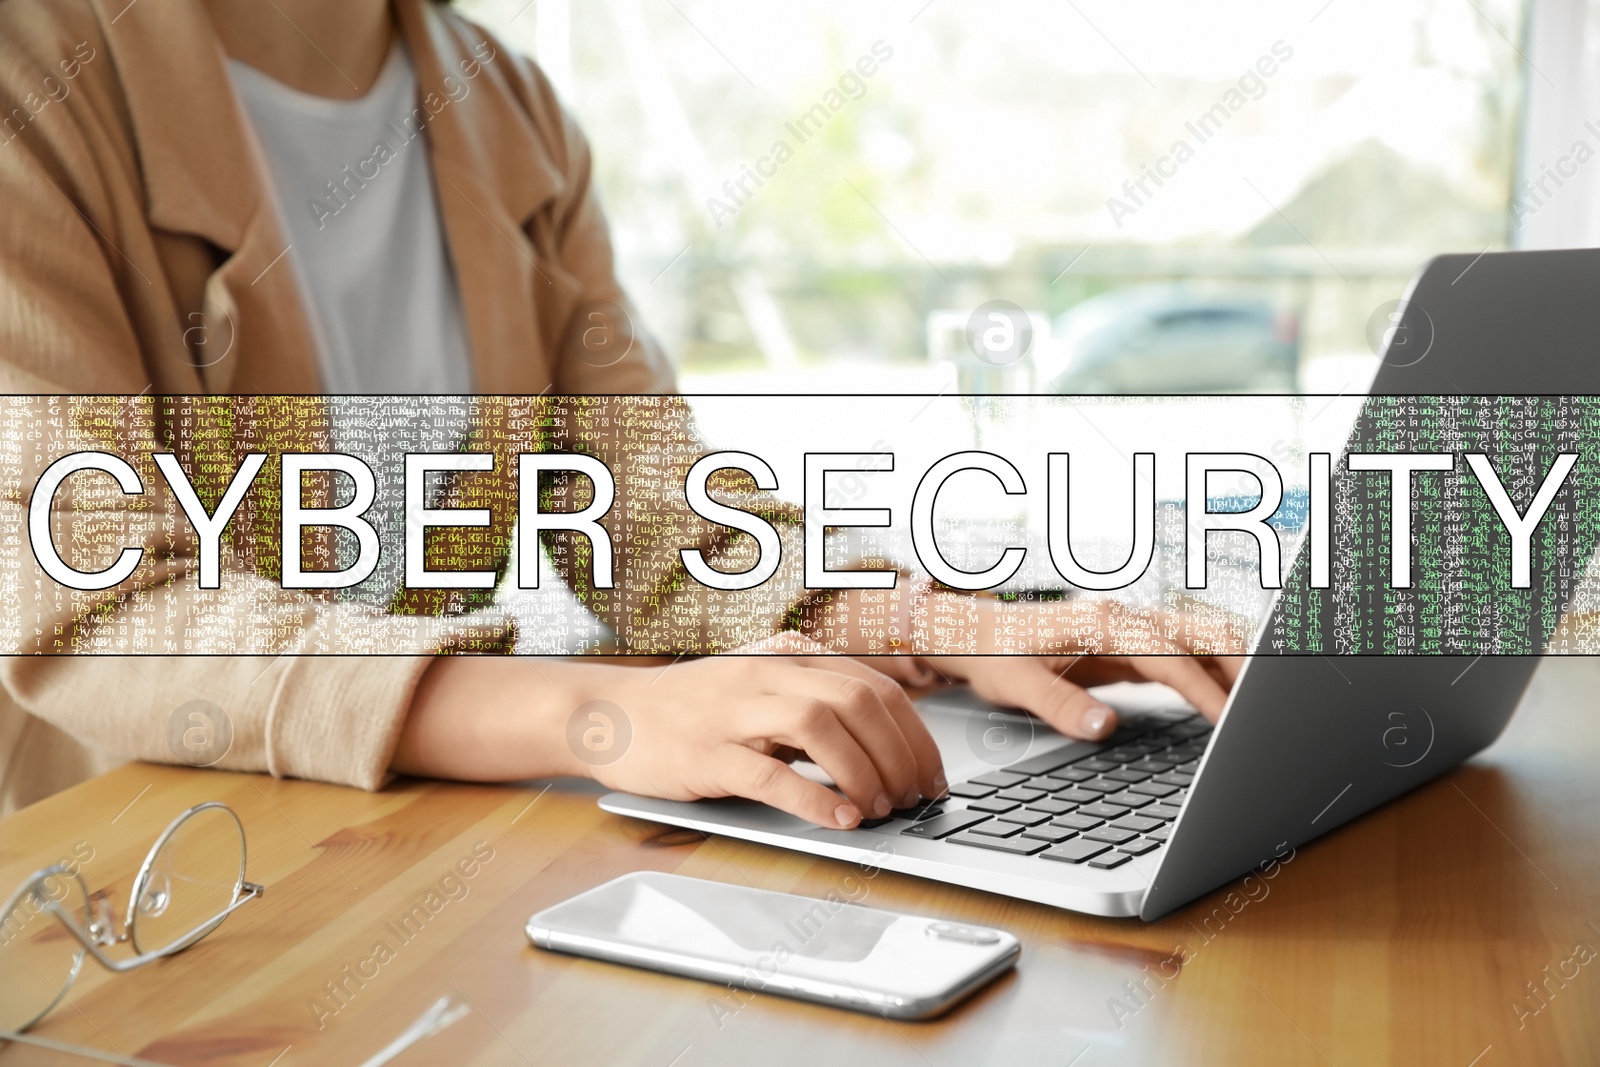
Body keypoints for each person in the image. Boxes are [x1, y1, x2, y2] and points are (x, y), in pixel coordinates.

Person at [0, 0, 1241, 820]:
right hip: (148, 883)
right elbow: (94, 601)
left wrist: (936, 616)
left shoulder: (509, 106)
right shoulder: (34, 72)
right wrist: (598, 715)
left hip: (407, 847)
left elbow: (655, 519)